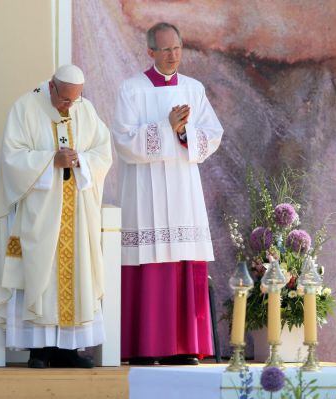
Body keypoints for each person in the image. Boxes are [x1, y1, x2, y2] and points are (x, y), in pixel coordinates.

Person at [0, 65, 112, 368]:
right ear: (52, 87)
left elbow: (102, 151)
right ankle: (38, 350)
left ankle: (68, 349)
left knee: (74, 274)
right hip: (38, 213)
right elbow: (11, 157)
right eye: (65, 99)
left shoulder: (85, 109)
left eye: (75, 100)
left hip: (76, 214)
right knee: (39, 274)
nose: (69, 107)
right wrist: (49, 160)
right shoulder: (25, 108)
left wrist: (81, 160)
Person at [113, 22, 224, 365]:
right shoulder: (130, 90)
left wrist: (183, 132)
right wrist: (166, 127)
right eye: (165, 50)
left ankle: (184, 345)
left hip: (183, 190)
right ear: (150, 52)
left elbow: (212, 134)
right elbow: (124, 140)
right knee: (149, 261)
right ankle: (145, 346)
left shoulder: (193, 89)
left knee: (183, 258)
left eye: (177, 48)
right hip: (144, 191)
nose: (173, 55)